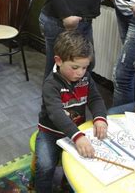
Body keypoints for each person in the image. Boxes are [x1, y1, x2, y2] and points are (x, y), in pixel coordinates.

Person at [35, 31, 108, 192]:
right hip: (50, 133)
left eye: (84, 67)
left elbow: (95, 99)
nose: (80, 72)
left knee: (81, 166)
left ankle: (68, 185)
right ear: (58, 61)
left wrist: (100, 118)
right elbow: (56, 114)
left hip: (77, 131)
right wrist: (78, 137)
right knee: (45, 166)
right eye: (75, 67)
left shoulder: (85, 78)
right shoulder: (50, 84)